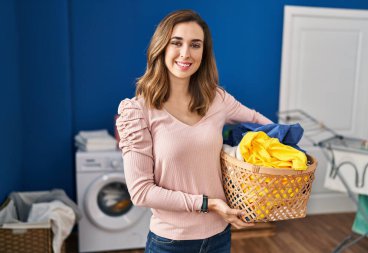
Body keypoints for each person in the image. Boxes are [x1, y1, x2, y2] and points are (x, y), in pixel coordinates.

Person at [116, 9, 273, 253]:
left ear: (204, 52)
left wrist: (282, 153)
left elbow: (263, 125)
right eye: (176, 43)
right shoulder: (138, 111)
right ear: (161, 47)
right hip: (170, 243)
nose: (185, 53)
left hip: (219, 237)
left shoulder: (217, 99)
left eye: (195, 45)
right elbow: (141, 192)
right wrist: (207, 204)